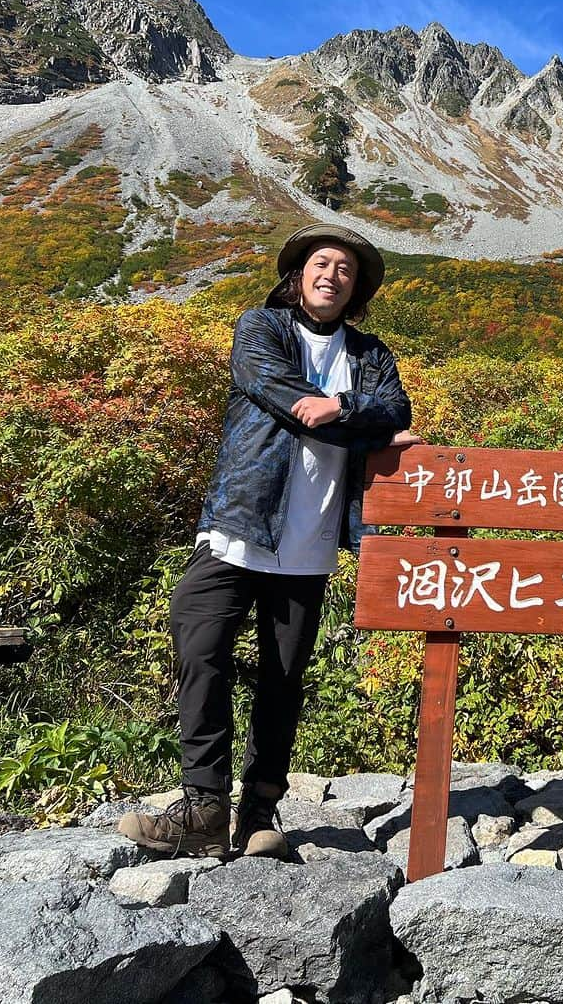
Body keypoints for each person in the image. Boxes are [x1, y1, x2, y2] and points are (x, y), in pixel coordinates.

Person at [121, 223, 418, 859]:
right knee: (200, 649)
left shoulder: (372, 354)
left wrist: (348, 414)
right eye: (321, 263)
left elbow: (397, 412)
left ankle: (259, 811)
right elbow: (289, 402)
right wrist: (352, 416)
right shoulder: (261, 330)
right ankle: (204, 803)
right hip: (237, 530)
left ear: (356, 287)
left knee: (283, 679)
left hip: (310, 545)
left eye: (345, 268)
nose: (332, 274)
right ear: (298, 274)